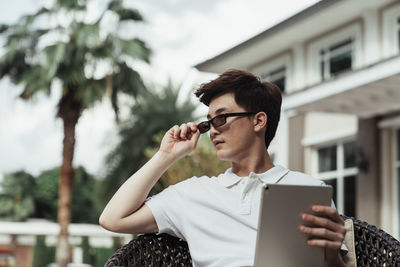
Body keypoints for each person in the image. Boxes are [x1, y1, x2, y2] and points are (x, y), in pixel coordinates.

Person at [99, 69, 348, 267]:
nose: (213, 130)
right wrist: (166, 156)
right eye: (209, 123)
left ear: (258, 120)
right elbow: (113, 218)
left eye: (221, 118)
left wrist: (332, 254)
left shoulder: (309, 190)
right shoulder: (192, 194)